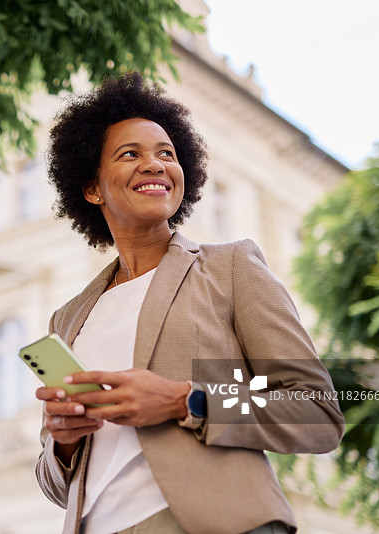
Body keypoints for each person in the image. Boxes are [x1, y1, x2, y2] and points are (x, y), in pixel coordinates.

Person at [34, 71, 344, 534]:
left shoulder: (230, 268)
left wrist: (186, 400)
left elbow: (315, 411)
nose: (155, 164)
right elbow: (56, 484)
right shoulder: (70, 317)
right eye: (130, 154)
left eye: (166, 153)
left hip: (216, 521)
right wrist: (62, 444)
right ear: (92, 188)